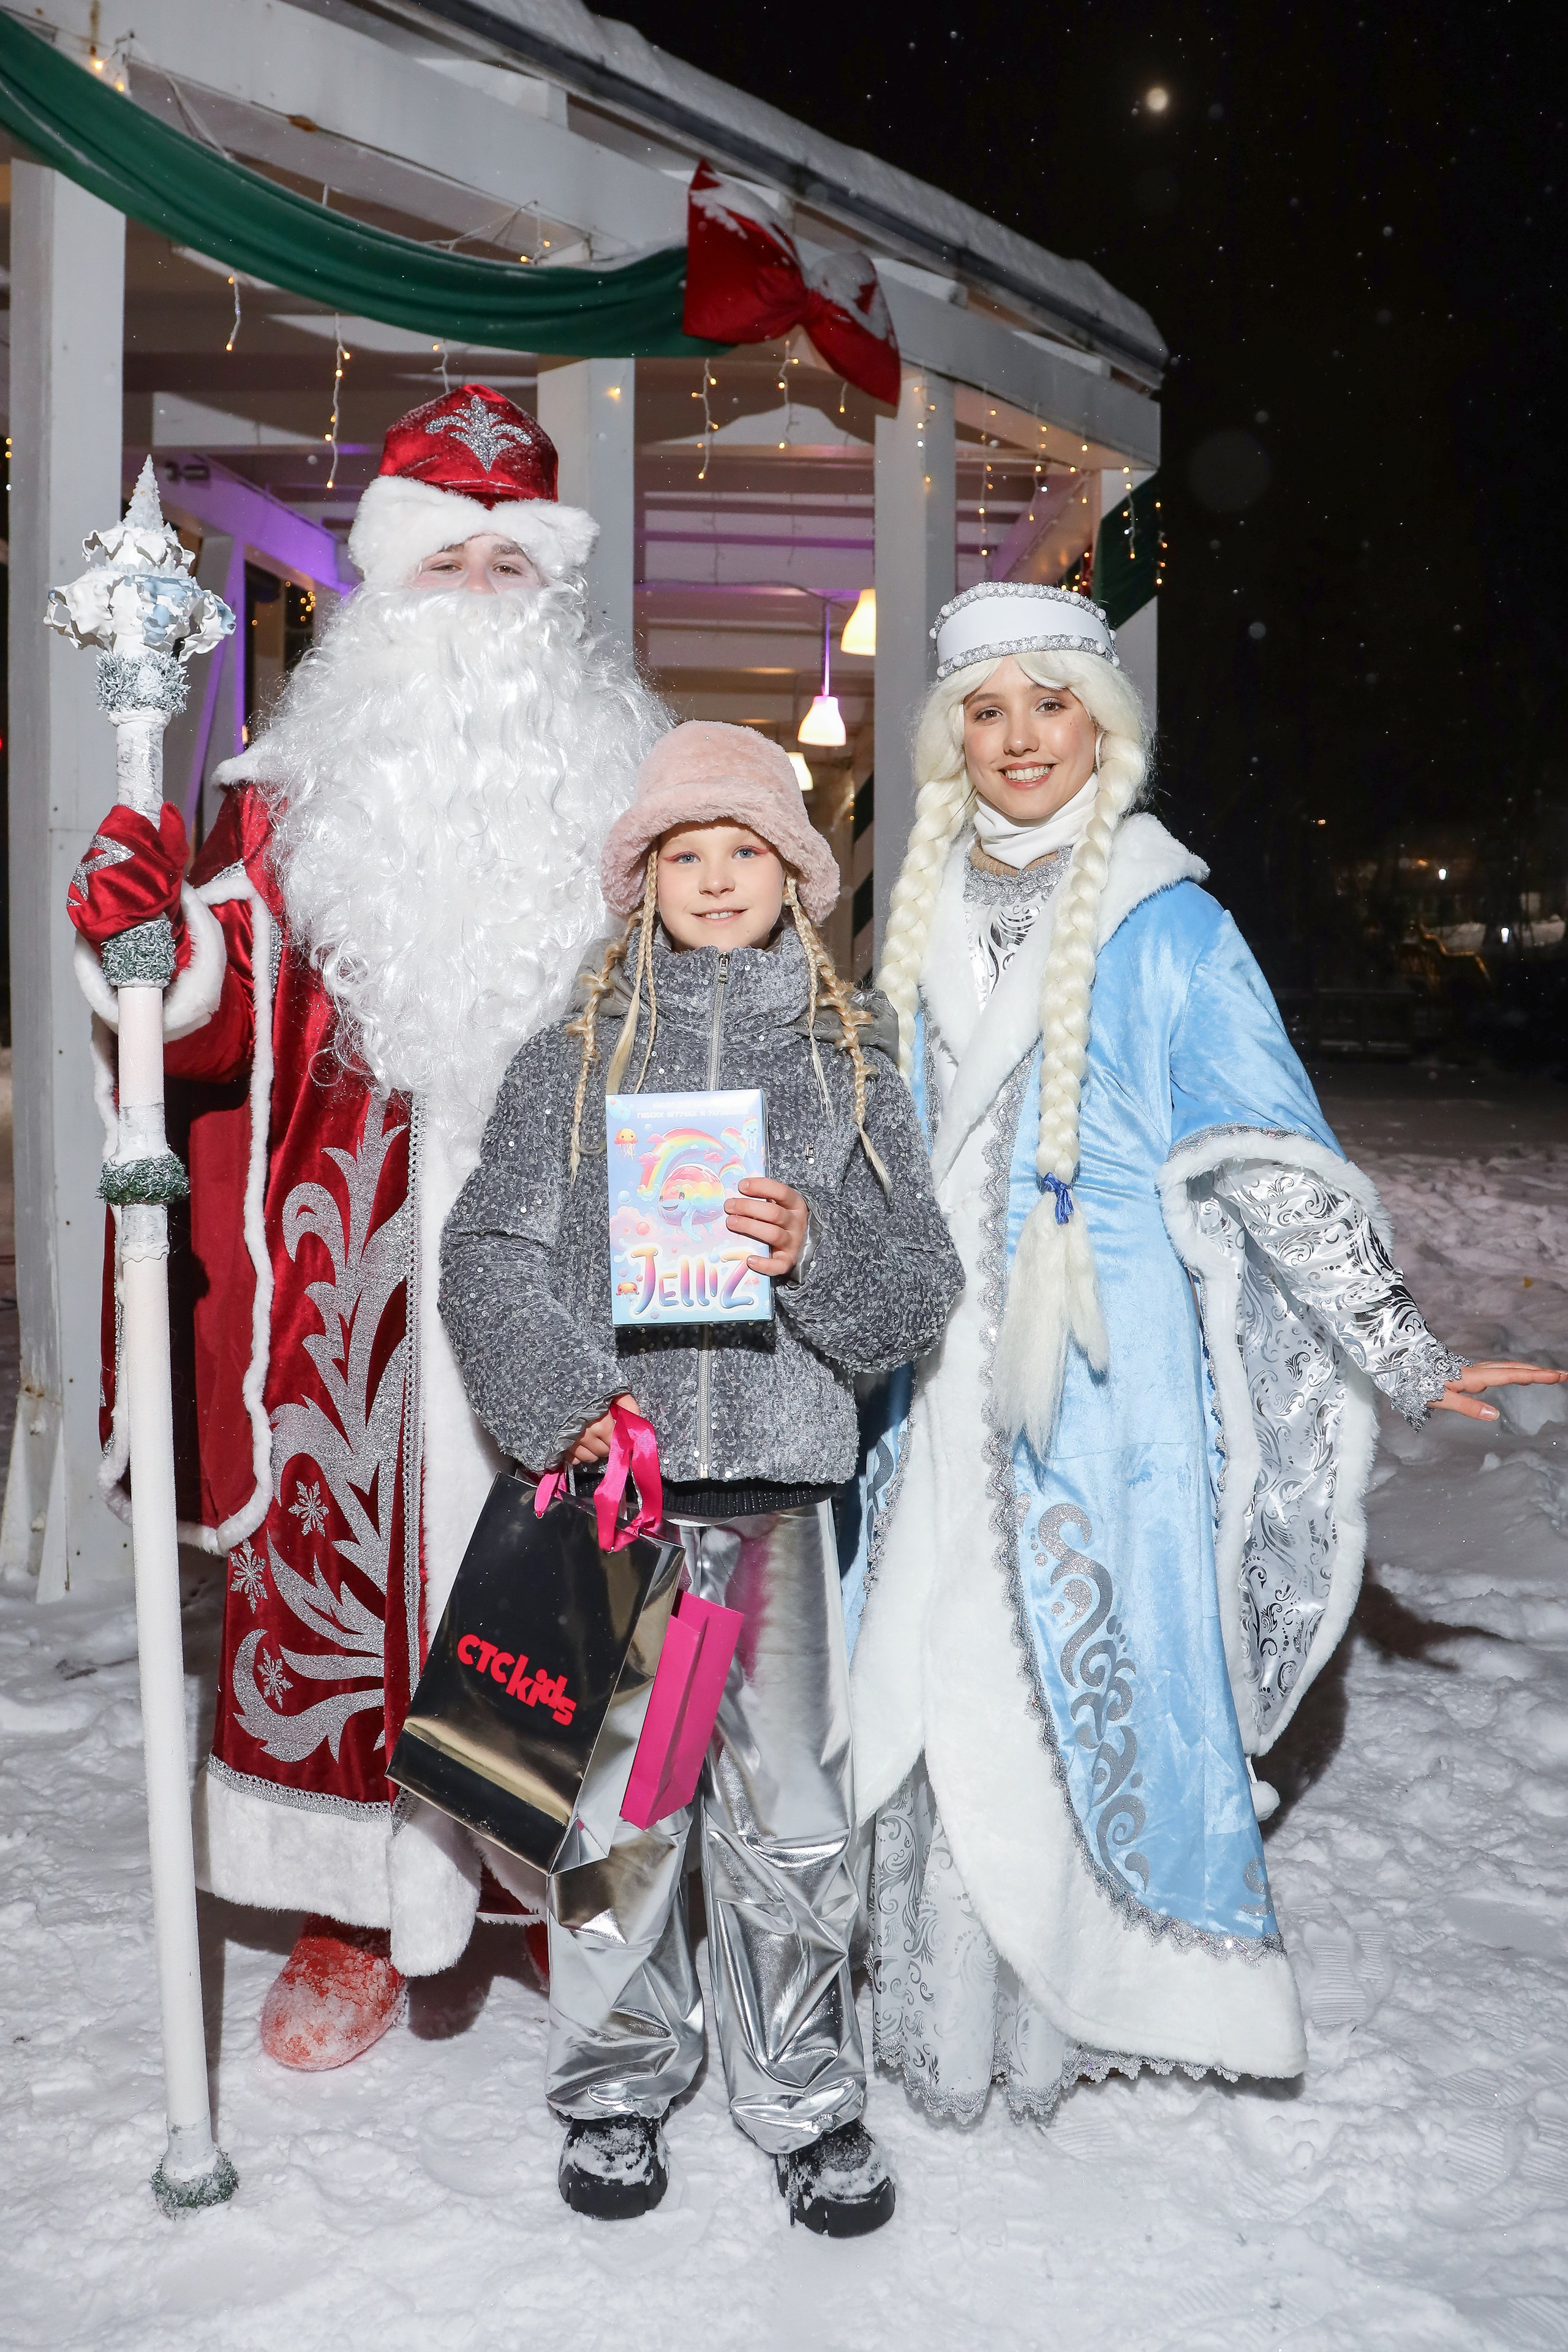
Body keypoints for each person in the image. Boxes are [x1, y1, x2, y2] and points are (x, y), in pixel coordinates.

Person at [846, 581, 1566, 2127]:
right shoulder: (911, 915)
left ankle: (1071, 2006)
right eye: (985, 711)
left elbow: (1268, 1162)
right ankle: (930, 2007)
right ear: (949, 738)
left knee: (1069, 1675)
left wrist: (1397, 1347)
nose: (1018, 738)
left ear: (1099, 725)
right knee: (924, 1663)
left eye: (1049, 705)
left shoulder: (1171, 922)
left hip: (1101, 1381)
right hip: (927, 1371)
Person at [66, 385, 664, 2070]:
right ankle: (355, 1907)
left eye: (507, 567)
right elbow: (209, 1006)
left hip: (573, 1259)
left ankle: (556, 1890)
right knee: (353, 1575)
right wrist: (151, 941)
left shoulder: (637, 796)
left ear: (553, 594)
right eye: (442, 563)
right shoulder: (291, 795)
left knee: (580, 1567)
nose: (475, 599)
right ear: (386, 588)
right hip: (360, 1269)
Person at [440, 722, 963, 2231]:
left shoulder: (849, 1064)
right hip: (628, 1515)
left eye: (747, 851)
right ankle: (616, 2086)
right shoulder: (571, 1061)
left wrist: (814, 1250)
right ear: (645, 878)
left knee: (789, 1815)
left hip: (774, 1519)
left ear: (794, 875)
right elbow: (485, 1258)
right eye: (687, 853)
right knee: (625, 1817)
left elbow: (914, 1292)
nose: (718, 878)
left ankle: (804, 2098)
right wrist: (565, 1404)